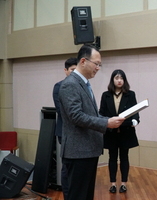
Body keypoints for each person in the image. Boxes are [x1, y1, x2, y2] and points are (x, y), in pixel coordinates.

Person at [58, 45, 125, 200]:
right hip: (78, 151)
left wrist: (107, 120)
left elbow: (90, 114)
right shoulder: (70, 84)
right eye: (96, 64)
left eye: (99, 65)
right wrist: (106, 123)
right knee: (78, 195)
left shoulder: (84, 84)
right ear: (83, 61)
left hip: (87, 150)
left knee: (86, 195)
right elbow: (76, 116)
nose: (98, 68)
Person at [99, 69, 140, 193]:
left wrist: (135, 121)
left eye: (121, 78)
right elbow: (101, 113)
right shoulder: (105, 95)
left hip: (126, 131)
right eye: (116, 78)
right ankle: (112, 183)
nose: (119, 80)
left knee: (124, 157)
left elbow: (135, 111)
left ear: (124, 80)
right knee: (112, 158)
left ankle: (123, 183)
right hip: (111, 132)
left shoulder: (130, 94)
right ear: (112, 80)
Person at [52, 57, 77, 199]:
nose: (74, 73)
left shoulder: (81, 85)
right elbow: (62, 111)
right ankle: (67, 195)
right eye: (72, 70)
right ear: (65, 71)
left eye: (76, 70)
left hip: (78, 132)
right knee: (67, 166)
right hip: (65, 131)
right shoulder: (59, 86)